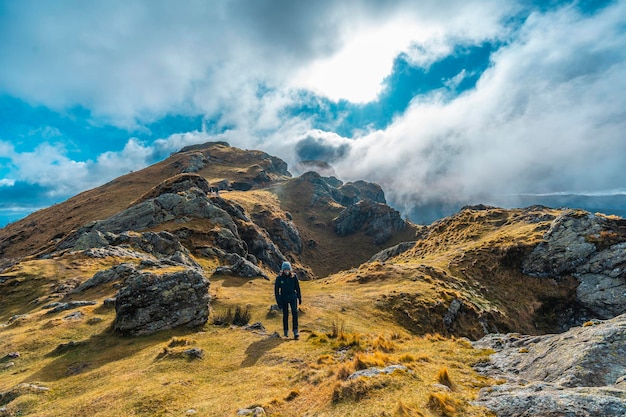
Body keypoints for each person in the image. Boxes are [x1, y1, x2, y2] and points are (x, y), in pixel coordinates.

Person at [274, 261, 302, 339]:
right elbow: (276, 291)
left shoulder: (294, 277)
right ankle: (285, 331)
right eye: (285, 270)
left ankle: (295, 331)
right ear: (282, 270)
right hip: (284, 298)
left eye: (288, 269)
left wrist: (299, 298)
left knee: (294, 312)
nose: (286, 271)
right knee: (285, 314)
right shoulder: (279, 278)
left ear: (290, 270)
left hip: (293, 297)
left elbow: (297, 288)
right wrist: (278, 302)